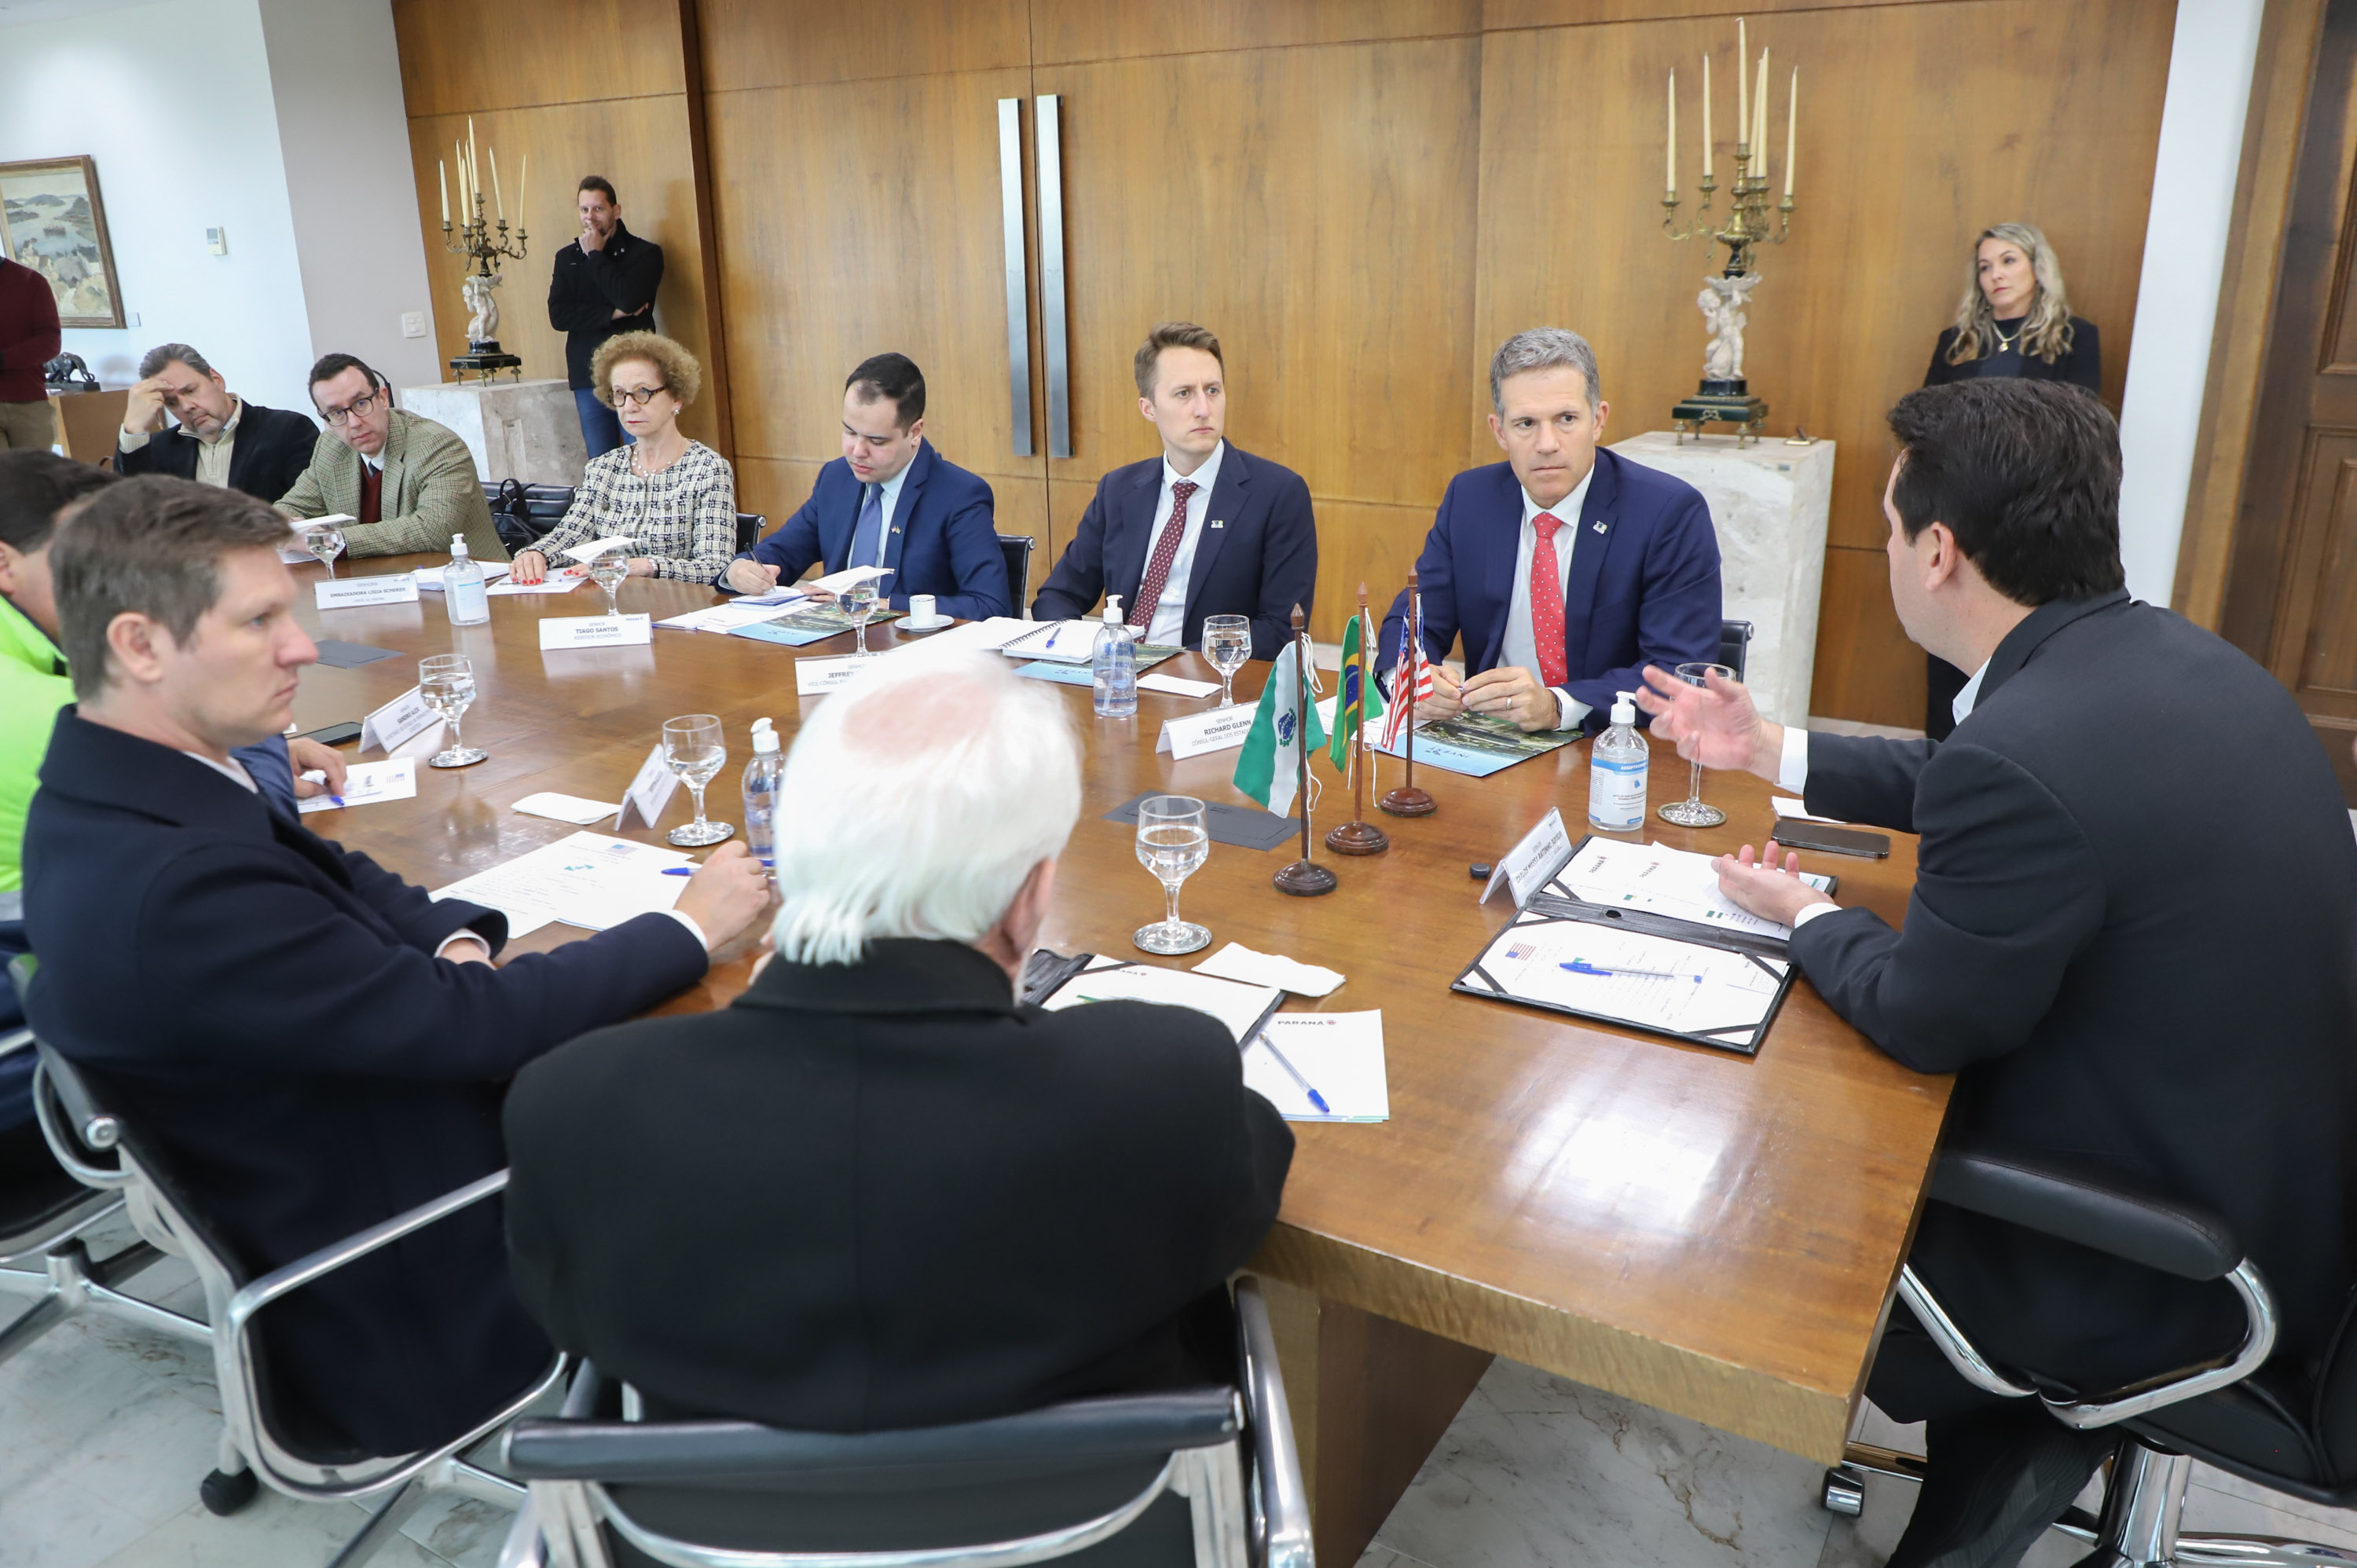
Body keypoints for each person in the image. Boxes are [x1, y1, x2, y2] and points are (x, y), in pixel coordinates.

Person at [1637, 378, 2357, 1568]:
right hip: (2290, 1194)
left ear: (1938, 553)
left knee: (1776, 1131)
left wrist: (1807, 914)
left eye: (1887, 526)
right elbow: (1995, 782)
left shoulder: (2029, 749)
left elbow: (1923, 1015)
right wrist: (1769, 748)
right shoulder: (2167, 662)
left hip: (2176, 1267)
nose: (1884, 548)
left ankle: (1970, 1424)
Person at [20, 475, 772, 1456]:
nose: (301, 645)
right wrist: (685, 928)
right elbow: (473, 1030)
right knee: (754, 1105)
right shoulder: (180, 887)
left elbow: (340, 873)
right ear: (139, 645)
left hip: (365, 1142)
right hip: (416, 1279)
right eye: (259, 621)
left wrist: (452, 937)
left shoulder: (127, 782)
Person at [504, 650, 1292, 1430]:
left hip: (707, 1516)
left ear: (792, 854)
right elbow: (1247, 1176)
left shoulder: (572, 1109)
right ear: (1033, 897)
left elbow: (568, 1319)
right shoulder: (1160, 1086)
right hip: (1090, 1508)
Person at [1376, 328, 1721, 734]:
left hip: (1612, 743)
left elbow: (1676, 673)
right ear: (1500, 431)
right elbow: (1416, 617)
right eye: (1526, 423)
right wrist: (1408, 678)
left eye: (1566, 419)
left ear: (1598, 420)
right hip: (1493, 738)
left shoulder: (1668, 512)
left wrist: (1559, 705)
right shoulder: (1470, 499)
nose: (1547, 443)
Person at [1031, 323, 1316, 660]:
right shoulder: (1118, 490)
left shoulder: (1278, 494)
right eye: (1184, 393)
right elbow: (1057, 596)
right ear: (1148, 408)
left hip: (1207, 676)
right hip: (1119, 673)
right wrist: (1092, 654)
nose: (1203, 409)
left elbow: (1281, 629)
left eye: (1212, 390)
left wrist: (1168, 663)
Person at [1919, 223, 2102, 738]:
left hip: (2031, 511)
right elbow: (1924, 421)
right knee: (1950, 634)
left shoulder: (2074, 338)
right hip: (1958, 507)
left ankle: (2008, 746)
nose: (1995, 275)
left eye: (2008, 261)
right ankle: (1942, 750)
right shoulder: (1956, 342)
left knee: (2019, 636)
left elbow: (2079, 427)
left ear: (2037, 268)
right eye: (1985, 267)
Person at [723, 354, 1010, 621]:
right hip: (833, 642)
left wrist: (881, 603)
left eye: (876, 441)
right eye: (850, 432)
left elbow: (989, 606)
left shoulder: (960, 494)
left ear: (914, 432)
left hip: (916, 649)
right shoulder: (837, 478)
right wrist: (741, 569)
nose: (857, 451)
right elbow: (783, 551)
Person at [509, 332, 735, 585]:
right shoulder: (603, 468)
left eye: (642, 392)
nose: (629, 406)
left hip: (674, 602)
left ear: (677, 397)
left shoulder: (707, 469)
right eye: (620, 394)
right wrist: (537, 554)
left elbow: (715, 567)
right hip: (607, 599)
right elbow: (571, 533)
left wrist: (648, 567)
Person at [277, 353, 507, 561]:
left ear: (383, 398)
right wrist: (282, 526)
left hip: (466, 582)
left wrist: (331, 540)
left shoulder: (438, 446)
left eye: (360, 404)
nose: (354, 422)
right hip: (375, 583)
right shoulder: (330, 448)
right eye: (337, 413)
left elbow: (431, 531)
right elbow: (291, 507)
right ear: (325, 419)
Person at [112, 343, 317, 503]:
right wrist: (134, 428)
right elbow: (133, 511)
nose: (186, 407)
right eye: (172, 403)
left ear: (216, 380)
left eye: (190, 391)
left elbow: (309, 506)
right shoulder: (161, 447)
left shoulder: (288, 430)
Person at [548, 176, 662, 460]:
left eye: (598, 209)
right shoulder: (567, 258)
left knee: (643, 456)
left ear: (616, 211)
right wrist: (612, 313)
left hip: (635, 373)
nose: (590, 217)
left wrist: (596, 256)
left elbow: (628, 299)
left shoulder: (645, 254)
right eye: (584, 209)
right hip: (588, 375)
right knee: (602, 463)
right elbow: (559, 315)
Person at [0, 254, 60, 452]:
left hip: (28, 402)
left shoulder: (30, 281)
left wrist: (4, 359)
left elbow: (50, 342)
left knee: (35, 471)